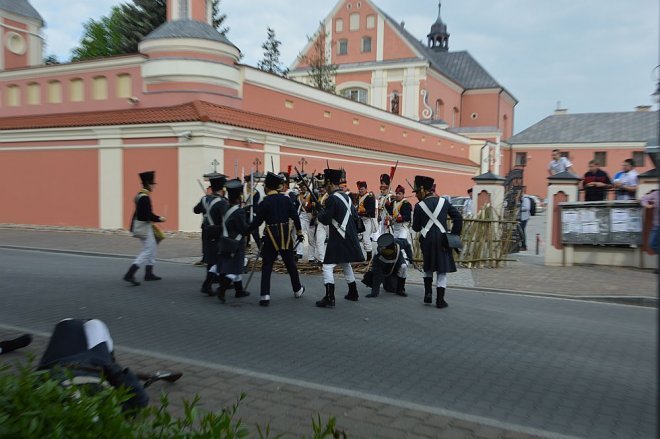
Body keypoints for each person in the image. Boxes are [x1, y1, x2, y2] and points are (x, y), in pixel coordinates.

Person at [37, 319, 150, 412]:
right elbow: (140, 402)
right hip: (95, 363)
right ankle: (109, 355)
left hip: (59, 363)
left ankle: (105, 353)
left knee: (68, 323)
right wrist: (116, 371)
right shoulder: (108, 410)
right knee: (94, 324)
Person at [249, 172, 305, 307]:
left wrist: (245, 229)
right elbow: (295, 217)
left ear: (268, 187)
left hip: (271, 237)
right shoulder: (286, 199)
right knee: (290, 264)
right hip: (285, 236)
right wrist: (299, 232)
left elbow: (257, 222)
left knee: (267, 265)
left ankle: (265, 295)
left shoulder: (265, 202)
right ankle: (297, 290)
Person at [316, 169, 365, 308]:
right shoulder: (347, 197)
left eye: (326, 184)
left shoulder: (331, 198)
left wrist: (320, 212)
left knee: (327, 267)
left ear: (330, 183)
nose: (325, 187)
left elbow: (325, 220)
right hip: (349, 236)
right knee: (345, 263)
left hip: (339, 237)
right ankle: (353, 292)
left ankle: (330, 297)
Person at [411, 175, 463, 309]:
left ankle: (428, 294)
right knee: (442, 270)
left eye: (417, 192)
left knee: (428, 267)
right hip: (442, 240)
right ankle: (440, 300)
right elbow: (458, 217)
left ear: (422, 190)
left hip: (427, 240)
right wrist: (454, 234)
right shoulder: (443, 202)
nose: (416, 195)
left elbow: (416, 228)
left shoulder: (419, 206)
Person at [123, 171, 166, 286]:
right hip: (144, 227)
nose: (154, 186)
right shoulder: (145, 197)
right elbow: (145, 215)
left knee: (152, 247)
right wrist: (159, 218)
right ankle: (130, 273)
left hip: (142, 226)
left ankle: (149, 273)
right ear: (148, 184)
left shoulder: (140, 195)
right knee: (148, 250)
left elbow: (142, 213)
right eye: (152, 184)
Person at [216, 179, 252, 303]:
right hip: (236, 244)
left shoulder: (226, 207)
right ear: (239, 196)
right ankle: (222, 289)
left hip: (226, 241)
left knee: (233, 266)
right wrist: (249, 221)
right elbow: (244, 229)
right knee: (235, 268)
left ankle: (239, 290)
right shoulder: (239, 212)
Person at [195, 175, 228, 295]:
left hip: (206, 231)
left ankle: (214, 282)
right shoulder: (222, 202)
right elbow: (226, 218)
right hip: (218, 232)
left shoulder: (204, 199)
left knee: (211, 258)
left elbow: (196, 210)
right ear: (221, 188)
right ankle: (210, 285)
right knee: (220, 257)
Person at [363, 233, 408, 298]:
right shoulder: (378, 257)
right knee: (387, 286)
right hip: (384, 270)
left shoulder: (398, 243)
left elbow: (407, 245)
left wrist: (410, 257)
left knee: (403, 267)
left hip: (396, 264)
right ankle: (385, 282)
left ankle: (400, 290)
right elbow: (377, 276)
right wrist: (374, 293)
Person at [355, 181, 377, 260]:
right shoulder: (358, 197)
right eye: (359, 189)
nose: (360, 190)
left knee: (366, 239)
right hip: (361, 220)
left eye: (362, 189)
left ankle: (369, 259)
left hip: (368, 220)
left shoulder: (370, 197)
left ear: (366, 189)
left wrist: (363, 212)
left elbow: (371, 211)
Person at [640, 189, 660, 256]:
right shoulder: (656, 193)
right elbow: (643, 198)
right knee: (652, 244)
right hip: (657, 225)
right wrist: (647, 205)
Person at [314, 184, 329, 264]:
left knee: (332, 242)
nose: (321, 189)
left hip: (328, 222)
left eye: (323, 188)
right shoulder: (319, 197)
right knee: (319, 241)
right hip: (320, 221)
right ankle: (322, 259)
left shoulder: (329, 196)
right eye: (321, 188)